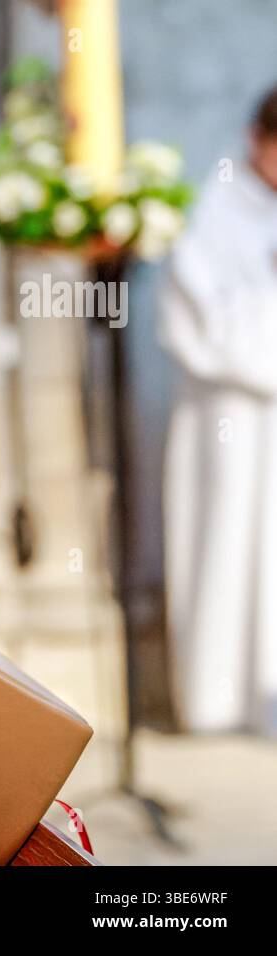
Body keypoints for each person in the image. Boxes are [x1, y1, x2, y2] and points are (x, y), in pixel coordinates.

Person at [161, 86, 277, 735]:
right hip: (228, 415)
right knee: (230, 545)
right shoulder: (217, 204)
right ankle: (216, 701)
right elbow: (202, 319)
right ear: (258, 140)